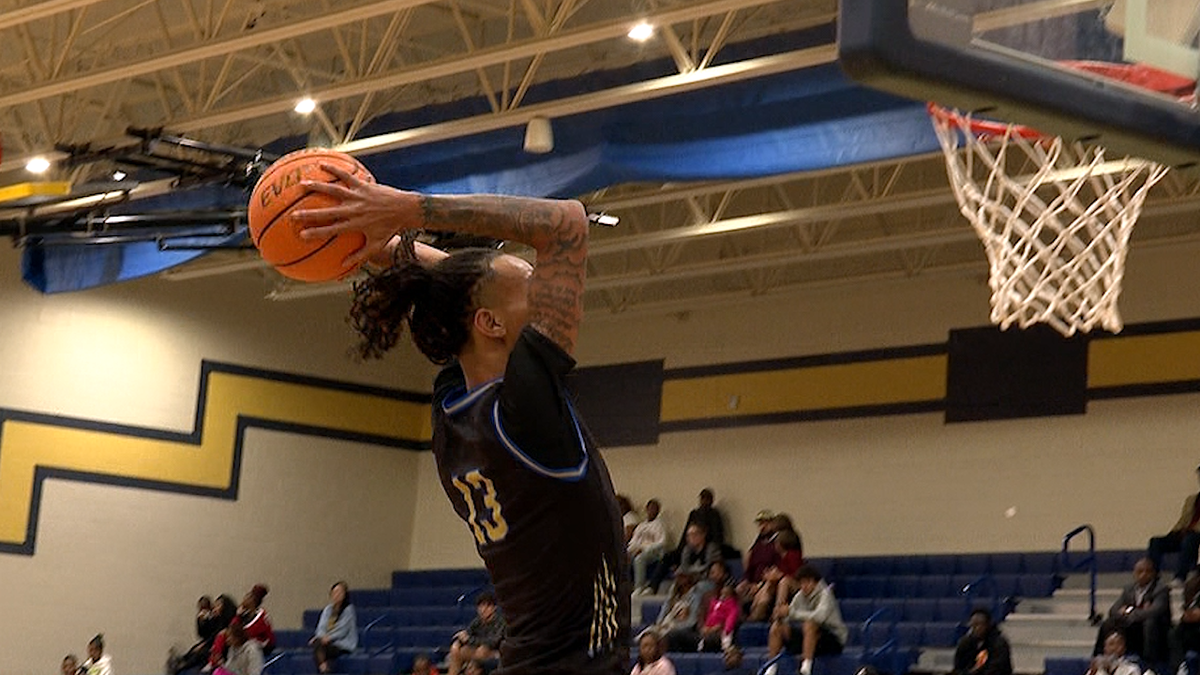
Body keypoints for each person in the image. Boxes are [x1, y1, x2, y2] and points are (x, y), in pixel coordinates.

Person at [295, 172, 631, 674]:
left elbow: (454, 287)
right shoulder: (525, 413)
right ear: (491, 324)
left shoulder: (455, 408)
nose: (544, 293)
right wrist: (407, 210)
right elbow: (566, 225)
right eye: (530, 288)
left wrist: (371, 236)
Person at [765, 565, 847, 675]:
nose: (804, 586)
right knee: (777, 627)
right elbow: (790, 615)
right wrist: (780, 614)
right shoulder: (799, 596)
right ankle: (771, 668)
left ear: (815, 582)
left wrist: (791, 612)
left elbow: (820, 617)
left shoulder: (825, 594)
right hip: (809, 637)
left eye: (807, 582)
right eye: (801, 583)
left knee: (810, 624)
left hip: (832, 638)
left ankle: (806, 669)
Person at [1093, 558, 1170, 672]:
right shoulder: (1128, 589)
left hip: (1155, 630)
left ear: (1153, 573)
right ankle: (1099, 656)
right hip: (1133, 628)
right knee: (1109, 622)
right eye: (1140, 571)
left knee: (1150, 621)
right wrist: (1133, 613)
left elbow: (1155, 610)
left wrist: (1130, 612)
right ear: (1134, 573)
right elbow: (1114, 610)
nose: (1143, 574)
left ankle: (1149, 661)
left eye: (1147, 571)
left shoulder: (1161, 589)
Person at [1147, 465, 1200, 584]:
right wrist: (1175, 532)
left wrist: (1191, 530)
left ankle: (1180, 577)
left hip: (1196, 535)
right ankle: (1153, 577)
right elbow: (1183, 519)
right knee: (1156, 541)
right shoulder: (1191, 500)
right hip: (1186, 532)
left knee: (1190, 539)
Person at [210, 585, 275, 669]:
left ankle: (225, 665)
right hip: (247, 639)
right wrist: (238, 616)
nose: (243, 600)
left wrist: (232, 631)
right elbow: (232, 627)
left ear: (252, 601)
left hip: (262, 644)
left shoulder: (261, 615)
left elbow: (249, 631)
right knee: (222, 635)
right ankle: (215, 661)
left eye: (246, 598)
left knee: (233, 638)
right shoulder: (244, 614)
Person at [650, 523, 720, 595]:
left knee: (697, 588)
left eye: (694, 534)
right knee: (669, 586)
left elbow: (710, 570)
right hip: (691, 580)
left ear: (702, 535)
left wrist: (691, 574)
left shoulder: (711, 549)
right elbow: (684, 567)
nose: (691, 538)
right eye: (688, 535)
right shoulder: (687, 549)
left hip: (707, 581)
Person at [170, 595, 232, 674]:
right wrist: (201, 621)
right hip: (210, 644)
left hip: (217, 650)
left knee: (201, 651)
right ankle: (182, 660)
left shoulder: (226, 622)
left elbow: (213, 636)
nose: (215, 608)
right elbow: (202, 634)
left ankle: (182, 666)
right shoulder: (216, 619)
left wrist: (204, 644)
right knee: (195, 648)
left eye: (218, 605)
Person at [447, 592, 505, 675]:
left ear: (494, 608)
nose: (483, 609)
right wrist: (459, 642)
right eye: (481, 606)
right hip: (479, 650)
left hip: (497, 652)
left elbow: (493, 642)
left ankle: (473, 669)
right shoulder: (477, 621)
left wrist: (469, 640)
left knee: (482, 650)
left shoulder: (500, 621)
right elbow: (467, 634)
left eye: (487, 606)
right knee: (456, 648)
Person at [311, 581, 358, 673]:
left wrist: (329, 638)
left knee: (319, 648)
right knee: (317, 643)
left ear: (345, 595)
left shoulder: (349, 610)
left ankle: (324, 671)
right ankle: (324, 669)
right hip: (327, 643)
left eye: (340, 592)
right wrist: (321, 637)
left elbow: (343, 630)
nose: (337, 595)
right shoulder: (328, 610)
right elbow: (321, 627)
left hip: (343, 643)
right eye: (335, 592)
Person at [952, 609, 1013, 675]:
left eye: (978, 625)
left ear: (987, 625)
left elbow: (997, 668)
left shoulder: (999, 643)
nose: (975, 628)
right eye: (972, 625)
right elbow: (958, 667)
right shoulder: (965, 643)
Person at [629, 499, 669, 595]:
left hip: (653, 552)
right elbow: (634, 541)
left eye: (654, 509)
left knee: (639, 559)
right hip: (639, 550)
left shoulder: (659, 525)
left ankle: (639, 587)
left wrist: (644, 549)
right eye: (650, 508)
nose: (652, 511)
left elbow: (662, 542)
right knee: (624, 559)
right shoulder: (641, 526)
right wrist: (628, 551)